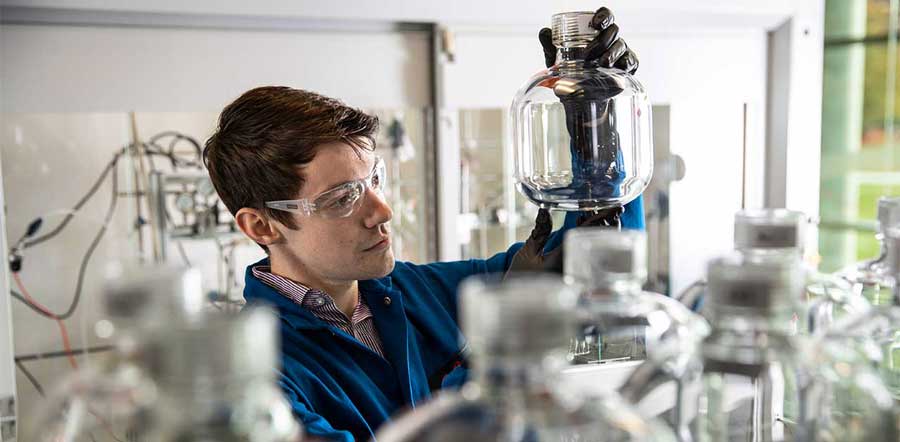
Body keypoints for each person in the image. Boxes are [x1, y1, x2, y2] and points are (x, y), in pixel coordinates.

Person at [202, 7, 641, 441]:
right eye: (341, 198)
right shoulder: (255, 379)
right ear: (261, 227)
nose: (381, 211)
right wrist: (489, 363)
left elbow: (595, 266)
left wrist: (598, 125)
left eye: (374, 180)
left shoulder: (424, 293)